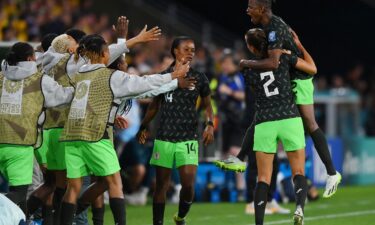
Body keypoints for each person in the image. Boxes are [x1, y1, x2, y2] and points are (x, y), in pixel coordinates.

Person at [57, 34, 191, 225]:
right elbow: (144, 84)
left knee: (74, 186)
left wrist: (112, 115)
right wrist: (173, 76)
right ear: (105, 54)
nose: (126, 65)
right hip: (95, 135)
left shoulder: (80, 74)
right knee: (114, 183)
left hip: (71, 135)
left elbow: (81, 101)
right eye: (122, 61)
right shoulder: (112, 77)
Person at [220, 0, 341, 198]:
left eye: (251, 6)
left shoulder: (274, 28)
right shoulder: (272, 26)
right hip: (290, 77)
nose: (247, 10)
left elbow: (274, 62)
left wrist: (244, 63)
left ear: (262, 8)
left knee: (310, 123)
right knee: (262, 116)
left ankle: (332, 173)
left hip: (299, 79)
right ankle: (240, 158)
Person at [137, 36, 215, 225]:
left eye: (193, 50)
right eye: (186, 49)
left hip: (188, 138)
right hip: (164, 137)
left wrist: (210, 124)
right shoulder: (163, 77)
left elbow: (207, 105)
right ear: (175, 51)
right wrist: (144, 125)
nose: (191, 53)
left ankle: (180, 217)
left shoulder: (199, 77)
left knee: (188, 185)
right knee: (161, 185)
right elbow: (154, 106)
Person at [244, 27, 317, 225]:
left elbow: (256, 89)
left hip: (265, 122)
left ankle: (259, 222)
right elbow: (312, 68)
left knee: (263, 177)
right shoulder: (284, 58)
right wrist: (298, 46)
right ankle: (300, 208)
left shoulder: (248, 69)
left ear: (251, 47)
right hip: (289, 118)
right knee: (298, 171)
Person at [0, 42, 74, 215]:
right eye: (34, 56)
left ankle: (24, 221)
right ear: (29, 59)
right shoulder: (40, 80)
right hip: (20, 145)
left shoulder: (1, 77)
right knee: (18, 193)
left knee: (20, 198)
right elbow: (64, 96)